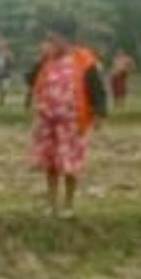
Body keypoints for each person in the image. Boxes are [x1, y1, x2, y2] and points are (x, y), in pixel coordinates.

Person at [28, 15, 107, 219]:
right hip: (48, 121)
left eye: (53, 39)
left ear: (66, 39)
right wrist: (40, 59)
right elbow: (30, 80)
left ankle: (68, 205)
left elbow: (97, 88)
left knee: (70, 162)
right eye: (48, 39)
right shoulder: (47, 60)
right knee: (51, 162)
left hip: (72, 121)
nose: (50, 43)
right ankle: (51, 203)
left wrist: (99, 113)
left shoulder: (84, 59)